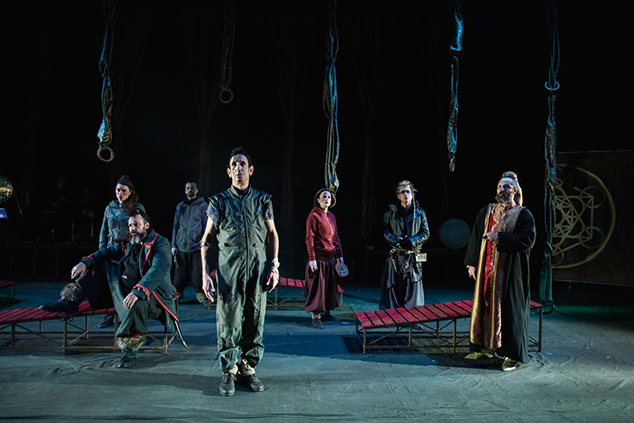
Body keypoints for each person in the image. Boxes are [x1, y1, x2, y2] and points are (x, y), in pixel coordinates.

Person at [200, 147, 280, 397]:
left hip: (257, 267)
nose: (238, 168)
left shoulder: (263, 200)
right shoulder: (219, 202)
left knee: (255, 316)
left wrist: (274, 266)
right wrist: (205, 274)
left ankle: (248, 367)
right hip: (229, 270)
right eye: (234, 164)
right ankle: (229, 370)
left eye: (242, 163)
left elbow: (272, 234)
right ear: (228, 171)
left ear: (251, 169)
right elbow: (206, 240)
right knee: (228, 319)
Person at [68, 208, 178, 369]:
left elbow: (157, 270)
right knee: (100, 262)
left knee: (136, 305)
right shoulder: (129, 243)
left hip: (153, 294)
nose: (133, 229)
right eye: (130, 225)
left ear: (146, 225)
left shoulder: (161, 243)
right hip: (123, 290)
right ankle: (71, 299)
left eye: (136, 225)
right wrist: (85, 262)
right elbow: (107, 251)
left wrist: (138, 292)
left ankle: (129, 350)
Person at [40, 175, 145, 316]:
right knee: (93, 268)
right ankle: (70, 299)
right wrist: (101, 251)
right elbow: (104, 231)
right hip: (110, 248)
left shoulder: (137, 208)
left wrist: (134, 249)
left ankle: (72, 301)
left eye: (123, 191)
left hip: (128, 251)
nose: (120, 193)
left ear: (130, 192)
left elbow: (141, 231)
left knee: (107, 273)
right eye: (118, 190)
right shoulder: (110, 208)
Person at [464, 172, 535, 372]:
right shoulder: (486, 211)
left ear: (515, 190)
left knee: (510, 312)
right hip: (486, 271)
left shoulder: (523, 215)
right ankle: (484, 347)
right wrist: (471, 263)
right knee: (484, 307)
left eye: (506, 187)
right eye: (500, 186)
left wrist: (499, 237)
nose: (502, 190)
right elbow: (476, 237)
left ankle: (512, 356)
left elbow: (528, 240)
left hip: (510, 273)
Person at [379, 180, 429, 310]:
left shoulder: (420, 213)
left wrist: (411, 241)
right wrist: (397, 241)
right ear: (398, 196)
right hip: (396, 255)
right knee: (394, 287)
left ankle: (413, 315)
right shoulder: (391, 212)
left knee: (413, 288)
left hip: (413, 256)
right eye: (403, 192)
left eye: (408, 192)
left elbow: (425, 233)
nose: (406, 194)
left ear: (412, 195)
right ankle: (393, 316)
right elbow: (385, 231)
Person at [304, 188, 345, 329]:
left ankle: (326, 313)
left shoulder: (332, 217)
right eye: (324, 196)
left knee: (329, 288)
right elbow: (309, 238)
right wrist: (312, 258)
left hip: (331, 259)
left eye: (329, 197)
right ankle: (316, 316)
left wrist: (340, 256)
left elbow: (336, 238)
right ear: (318, 200)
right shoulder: (313, 216)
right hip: (319, 259)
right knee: (318, 289)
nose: (327, 199)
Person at [171, 181, 210, 309]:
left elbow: (206, 225)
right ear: (185, 190)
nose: (190, 190)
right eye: (187, 188)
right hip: (182, 245)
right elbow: (176, 225)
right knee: (179, 274)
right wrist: (174, 245)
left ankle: (201, 294)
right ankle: (178, 294)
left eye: (192, 188)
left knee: (197, 273)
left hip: (196, 246)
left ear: (197, 190)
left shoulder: (202, 205)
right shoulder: (181, 206)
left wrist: (203, 242)